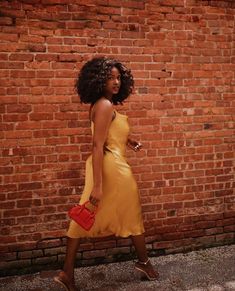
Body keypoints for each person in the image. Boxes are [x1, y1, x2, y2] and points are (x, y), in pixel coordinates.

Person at [54, 57, 159, 291]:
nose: (116, 81)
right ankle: (144, 264)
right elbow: (97, 145)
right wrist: (98, 187)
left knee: (86, 215)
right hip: (113, 170)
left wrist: (128, 140)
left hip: (110, 164)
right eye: (110, 77)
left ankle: (67, 273)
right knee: (130, 214)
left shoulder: (104, 105)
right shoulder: (105, 105)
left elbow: (108, 135)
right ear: (99, 80)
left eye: (119, 77)